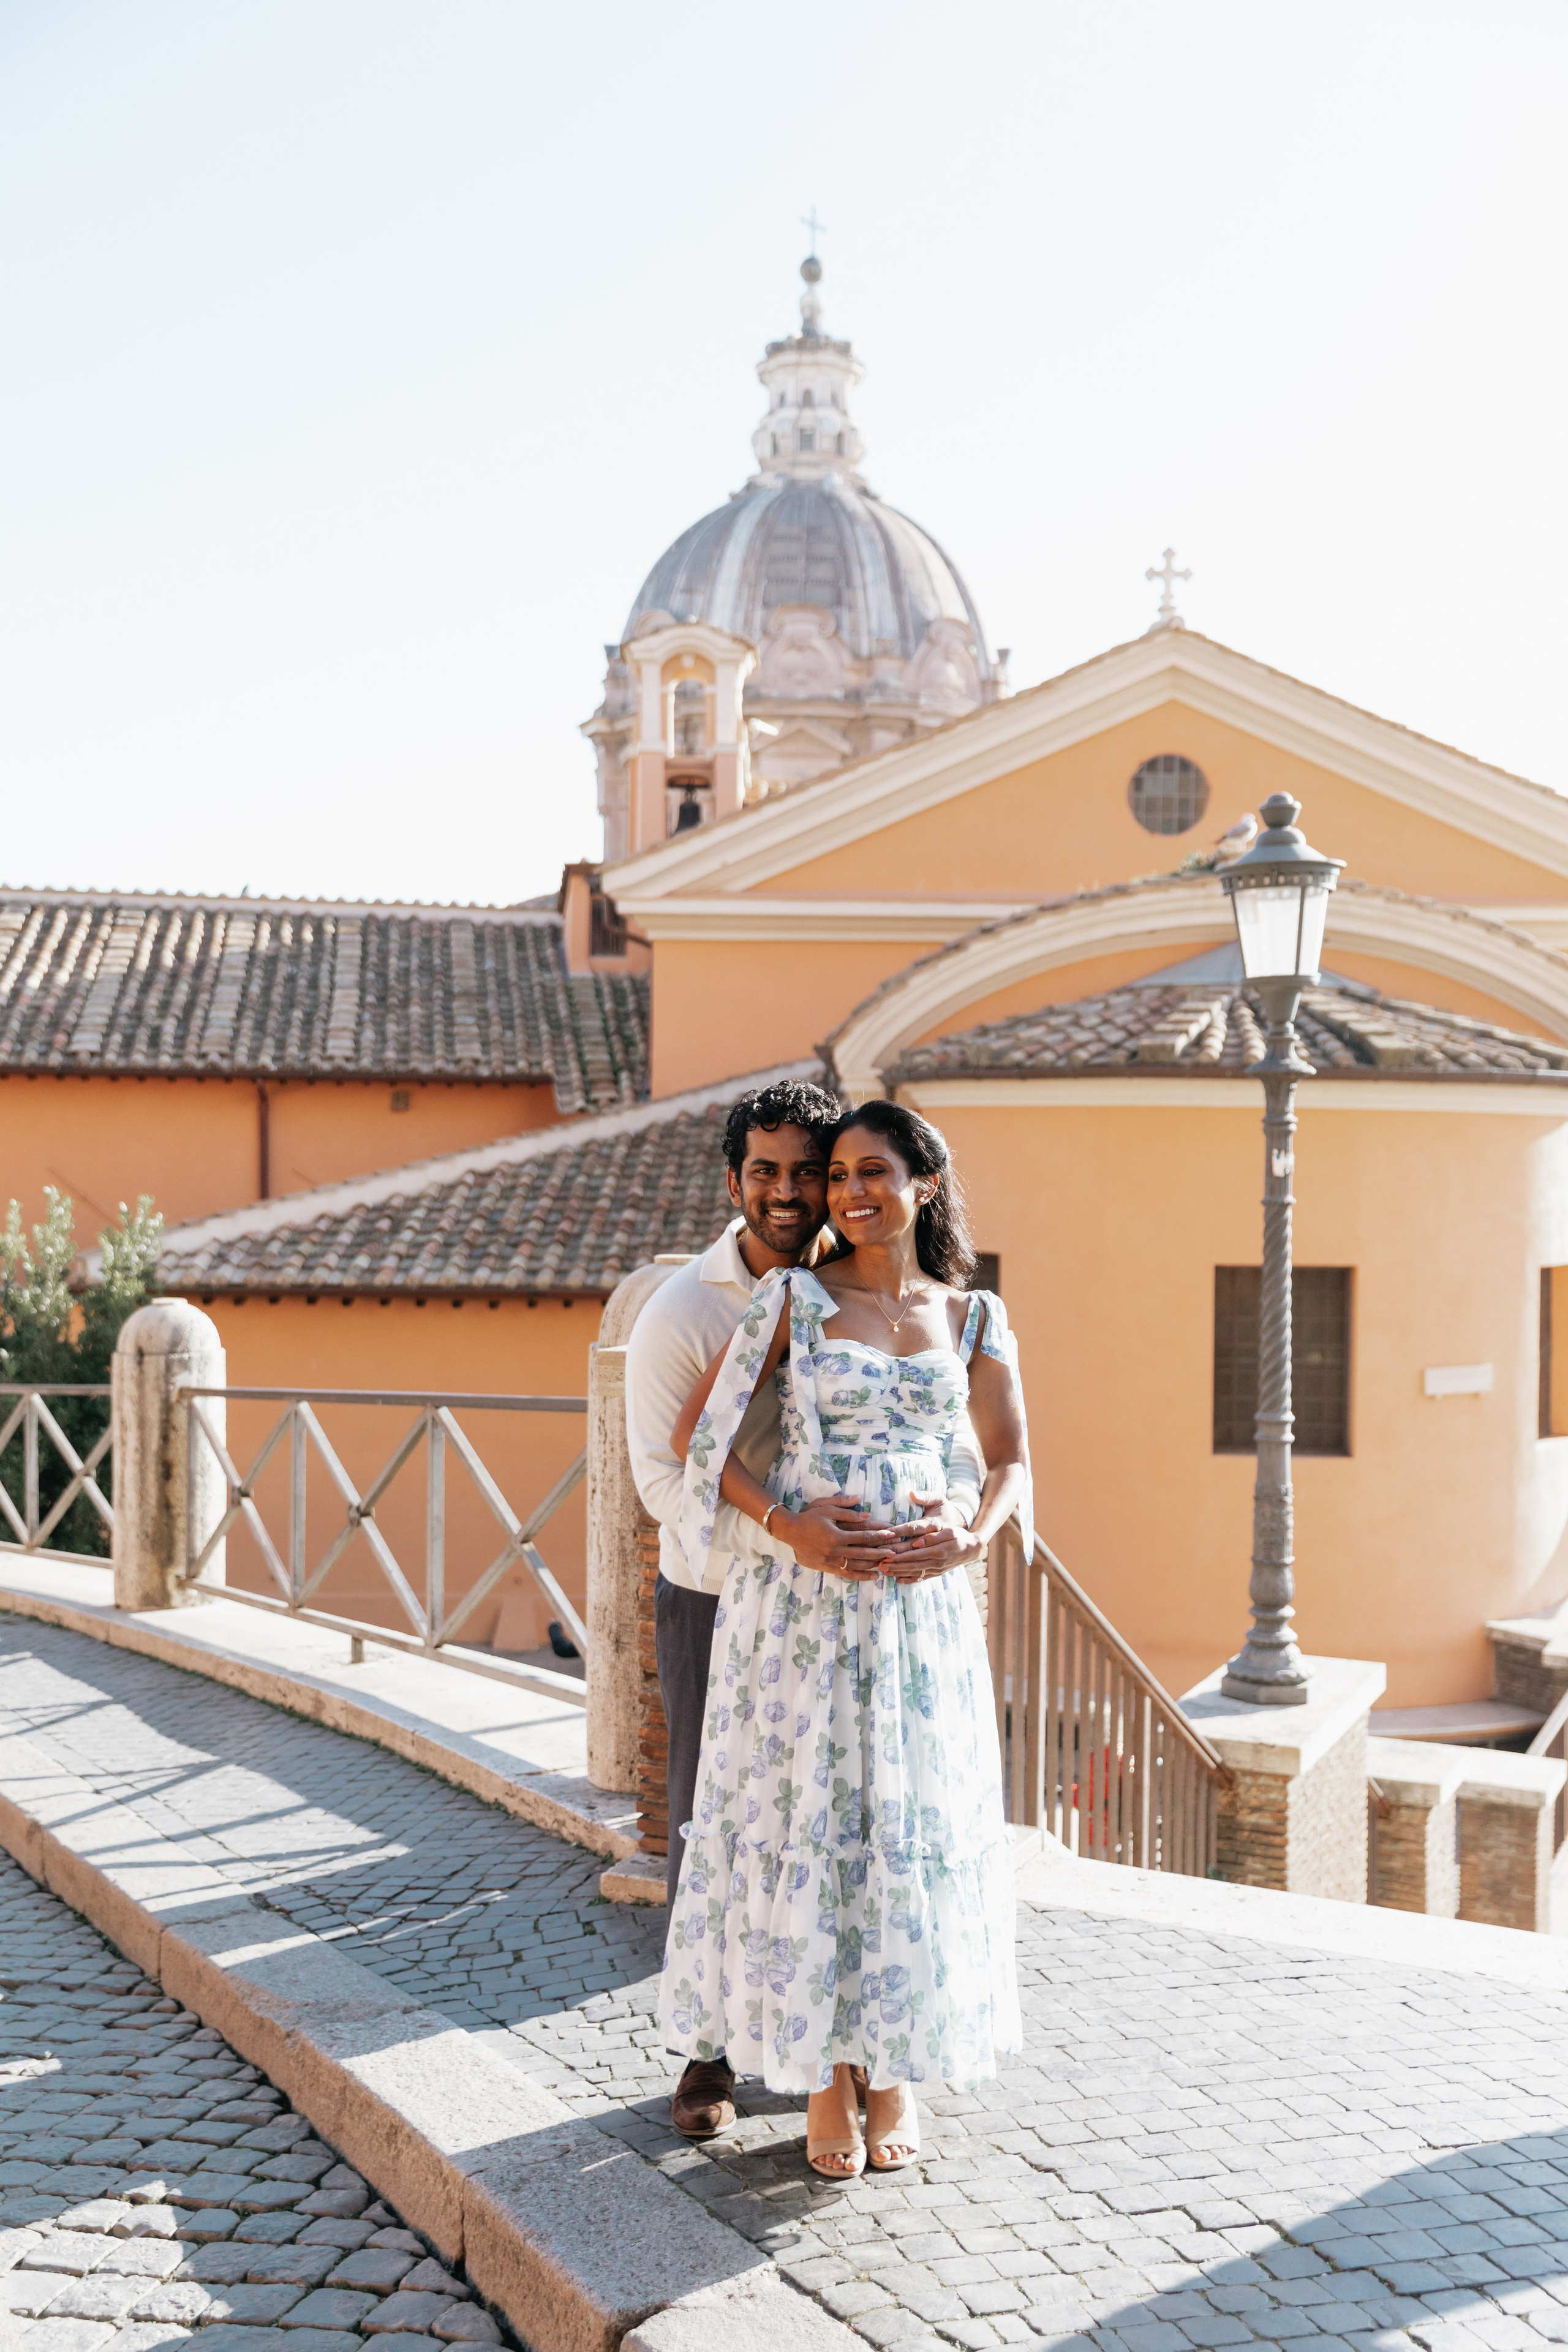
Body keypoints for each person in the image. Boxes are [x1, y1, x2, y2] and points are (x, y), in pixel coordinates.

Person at [660, 1098, 1027, 2178]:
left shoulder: (975, 1318)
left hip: (919, 1622)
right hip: (802, 1614)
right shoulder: (791, 1300)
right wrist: (788, 1526)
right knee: (812, 1824)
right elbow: (699, 1439)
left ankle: (896, 2071)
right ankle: (825, 2078)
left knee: (904, 1828)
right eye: (837, 1178)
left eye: (875, 1172)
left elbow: (1010, 1462)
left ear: (924, 1183)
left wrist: (970, 1534)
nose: (849, 1193)